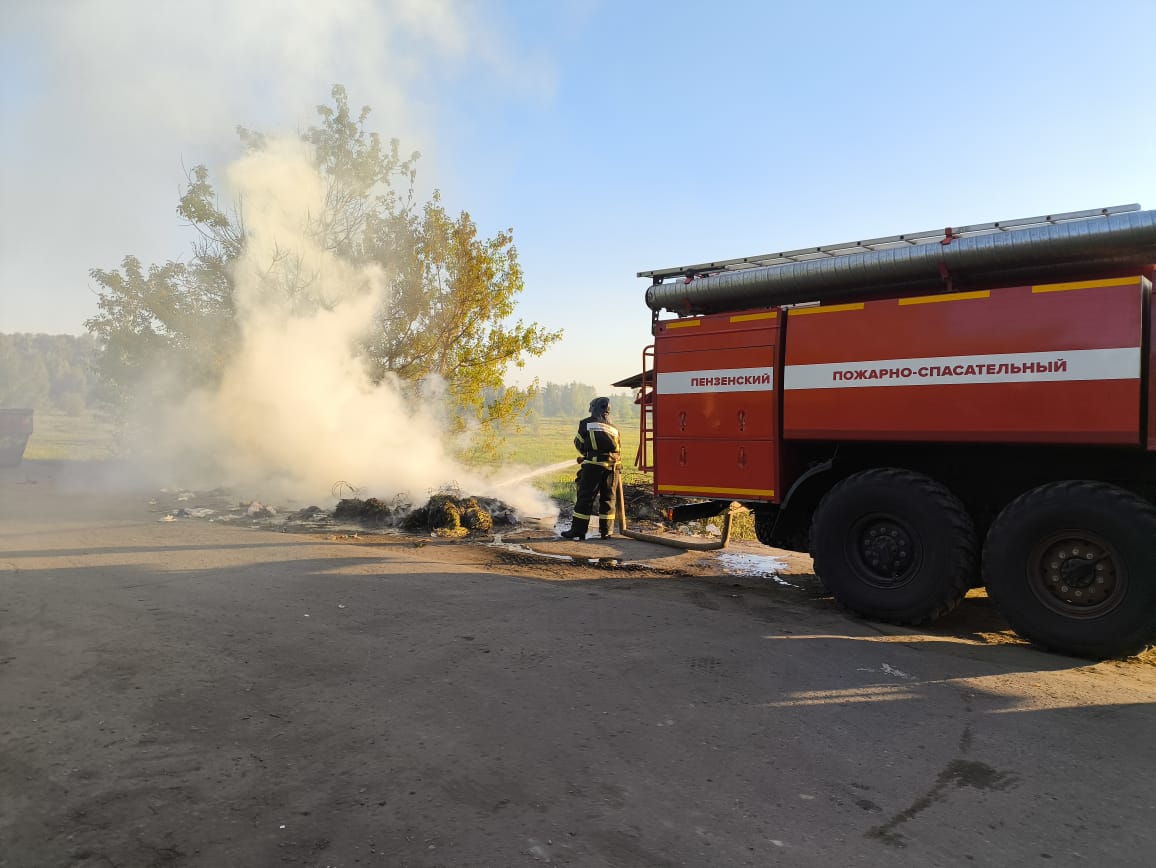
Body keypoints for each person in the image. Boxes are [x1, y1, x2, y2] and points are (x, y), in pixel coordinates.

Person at [559, 397, 621, 540]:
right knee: (608, 499)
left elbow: (579, 443)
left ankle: (578, 531)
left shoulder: (586, 423)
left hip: (593, 466)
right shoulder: (615, 428)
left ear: (593, 408)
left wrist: (586, 454)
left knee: (585, 498)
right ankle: (607, 532)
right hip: (613, 468)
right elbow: (617, 450)